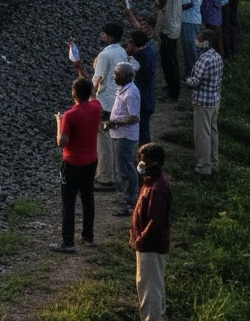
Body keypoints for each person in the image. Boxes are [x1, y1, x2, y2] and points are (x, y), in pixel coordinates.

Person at [50, 76, 102, 253]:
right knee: (88, 198)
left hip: (72, 163)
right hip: (91, 160)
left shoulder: (70, 115)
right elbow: (94, 96)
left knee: (68, 202)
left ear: (73, 94)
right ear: (89, 93)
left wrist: (59, 121)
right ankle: (88, 236)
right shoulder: (96, 107)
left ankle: (68, 241)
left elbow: (61, 142)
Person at [130, 142, 172, 321]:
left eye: (144, 161)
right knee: (150, 285)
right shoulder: (152, 182)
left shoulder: (158, 188)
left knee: (149, 289)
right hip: (148, 244)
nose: (141, 164)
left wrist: (141, 239)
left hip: (151, 246)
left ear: (155, 163)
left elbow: (155, 221)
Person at [91, 21, 127, 190]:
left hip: (104, 102)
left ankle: (105, 177)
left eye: (104, 34)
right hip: (117, 100)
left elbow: (97, 80)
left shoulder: (104, 55)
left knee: (103, 141)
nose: (101, 36)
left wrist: (89, 98)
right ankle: (115, 173)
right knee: (113, 139)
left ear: (110, 37)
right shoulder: (122, 51)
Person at [184, 28, 223, 175]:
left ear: (206, 42)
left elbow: (195, 81)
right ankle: (214, 163)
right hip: (214, 100)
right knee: (213, 133)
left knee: (202, 135)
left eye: (199, 38)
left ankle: (203, 166)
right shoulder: (217, 57)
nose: (197, 41)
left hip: (203, 102)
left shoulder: (204, 59)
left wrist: (187, 80)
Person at [106, 62, 141, 216]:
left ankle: (130, 201)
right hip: (118, 134)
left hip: (125, 136)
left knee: (125, 169)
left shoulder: (131, 93)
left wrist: (114, 122)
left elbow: (134, 117)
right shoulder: (123, 89)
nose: (114, 76)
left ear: (125, 76)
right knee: (121, 168)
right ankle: (128, 198)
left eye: (116, 74)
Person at [125, 29, 157, 146]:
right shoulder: (150, 50)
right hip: (149, 94)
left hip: (142, 97)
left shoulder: (138, 57)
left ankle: (144, 153)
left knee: (142, 129)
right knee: (144, 127)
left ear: (134, 44)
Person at [156, 0, 183, 100]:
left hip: (168, 30)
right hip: (175, 27)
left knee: (168, 62)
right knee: (172, 60)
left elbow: (159, 4)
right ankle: (173, 88)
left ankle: (173, 92)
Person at [179, 0, 206, 77]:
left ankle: (194, 75)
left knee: (191, 49)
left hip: (191, 20)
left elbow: (187, 2)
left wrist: (173, 6)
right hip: (184, 18)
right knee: (187, 48)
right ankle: (189, 72)